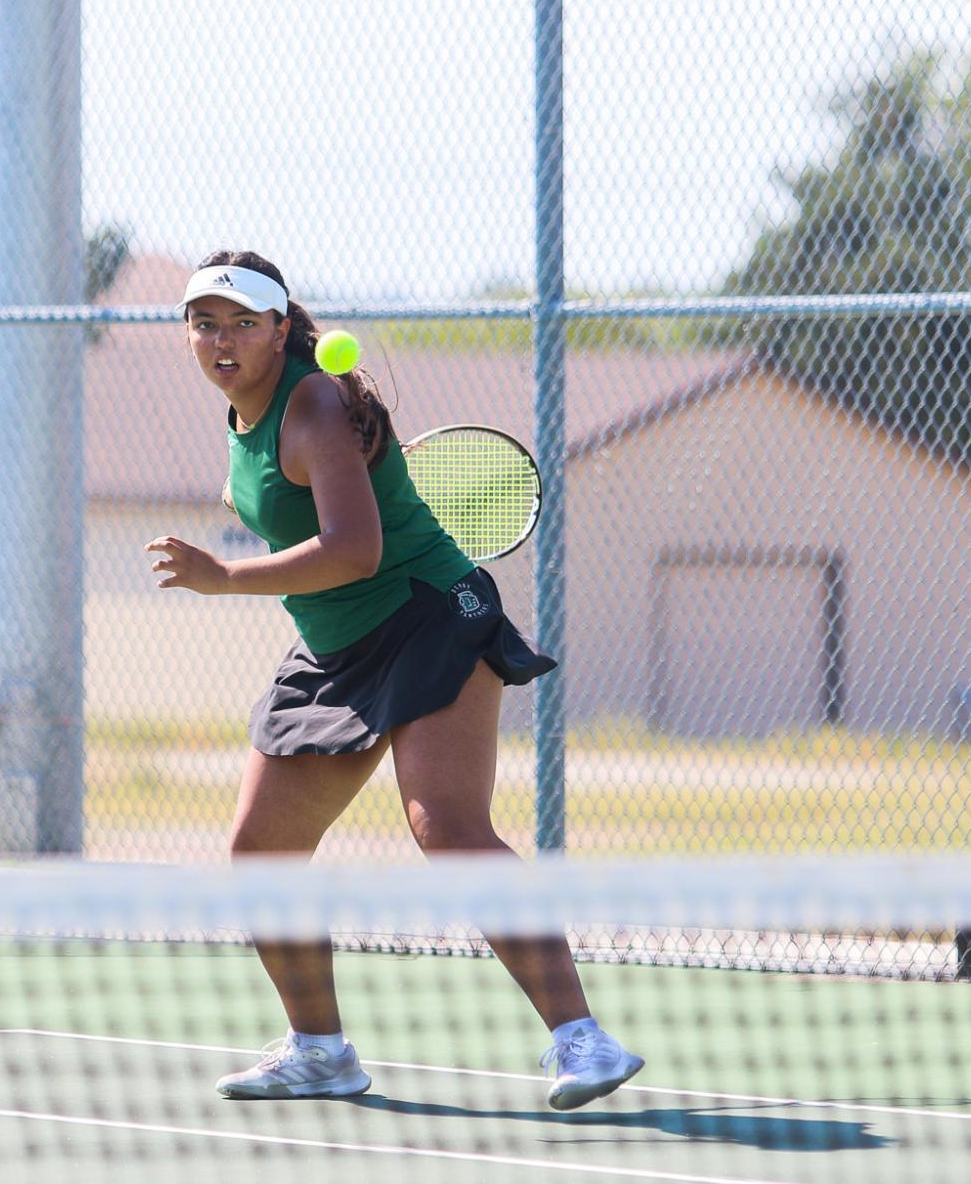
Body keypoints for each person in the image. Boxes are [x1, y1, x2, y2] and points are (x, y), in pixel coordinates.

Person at [148, 252, 644, 1110]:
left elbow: (354, 551)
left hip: (426, 617)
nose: (220, 340)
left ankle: (583, 1041)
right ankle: (319, 1054)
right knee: (260, 854)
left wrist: (225, 577)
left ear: (277, 329)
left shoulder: (312, 404)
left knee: (445, 826)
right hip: (332, 648)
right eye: (204, 322)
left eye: (239, 323)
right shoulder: (250, 417)